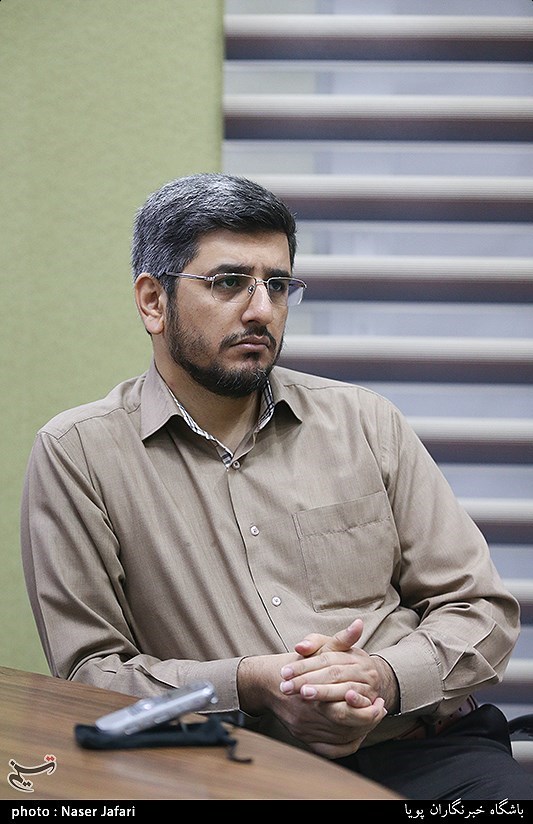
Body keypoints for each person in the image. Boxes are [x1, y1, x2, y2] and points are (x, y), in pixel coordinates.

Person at [21, 172, 533, 801]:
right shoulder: (79, 454)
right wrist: (253, 684)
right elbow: (90, 677)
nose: (262, 310)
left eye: (279, 284)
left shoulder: (364, 422)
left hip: (423, 753)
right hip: (223, 767)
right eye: (229, 282)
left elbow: (482, 609)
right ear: (154, 301)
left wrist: (382, 676)